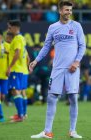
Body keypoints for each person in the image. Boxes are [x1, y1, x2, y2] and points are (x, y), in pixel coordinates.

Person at [29, 0, 86, 139]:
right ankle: (47, 131)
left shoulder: (76, 26)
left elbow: (82, 46)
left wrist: (77, 62)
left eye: (70, 10)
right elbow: (46, 46)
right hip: (57, 69)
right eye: (66, 10)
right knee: (52, 97)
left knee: (73, 98)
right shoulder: (53, 27)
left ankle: (72, 131)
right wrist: (36, 61)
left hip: (73, 68)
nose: (69, 13)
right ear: (60, 11)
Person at [6, 20, 26, 122]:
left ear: (15, 28)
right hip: (21, 69)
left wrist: (10, 67)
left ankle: (20, 115)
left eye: (9, 28)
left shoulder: (17, 39)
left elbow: (17, 53)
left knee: (15, 91)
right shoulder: (21, 38)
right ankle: (22, 114)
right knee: (20, 91)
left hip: (16, 69)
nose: (9, 30)